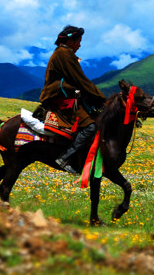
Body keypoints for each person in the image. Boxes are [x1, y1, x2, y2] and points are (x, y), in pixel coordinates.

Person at [39, 25, 107, 173]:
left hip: (67, 95)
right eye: (78, 41)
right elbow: (80, 80)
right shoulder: (64, 54)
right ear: (70, 41)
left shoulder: (62, 53)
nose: (79, 45)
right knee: (90, 127)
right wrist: (101, 99)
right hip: (62, 99)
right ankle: (65, 158)